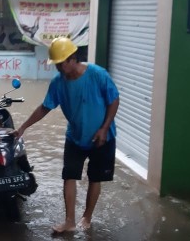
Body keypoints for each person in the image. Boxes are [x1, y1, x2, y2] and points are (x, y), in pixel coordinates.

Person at [13, 37, 120, 233]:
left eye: (61, 63)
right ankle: (69, 221)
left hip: (102, 138)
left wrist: (104, 128)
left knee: (95, 179)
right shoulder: (58, 83)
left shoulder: (97, 75)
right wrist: (23, 127)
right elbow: (45, 107)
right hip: (75, 138)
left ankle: (87, 217)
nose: (59, 68)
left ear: (72, 58)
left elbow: (114, 100)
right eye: (56, 64)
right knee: (69, 176)